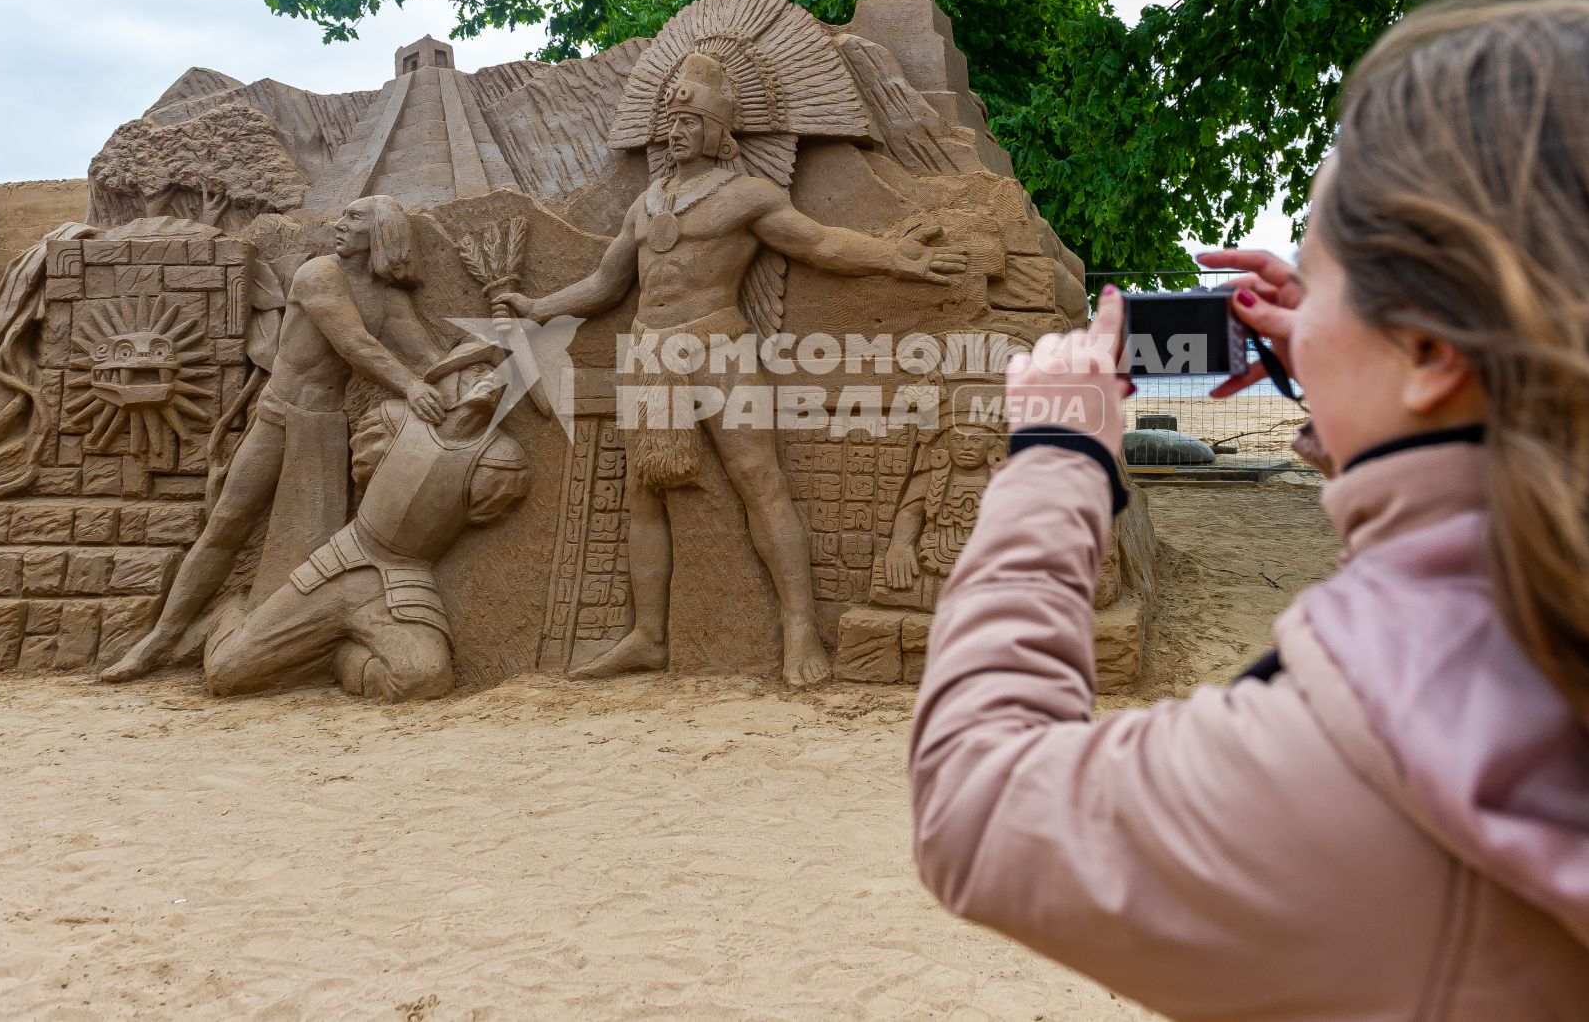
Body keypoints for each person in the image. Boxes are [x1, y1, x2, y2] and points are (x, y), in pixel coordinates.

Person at [910, 0, 1589, 1020]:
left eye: (1319, 280)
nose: (1297, 318)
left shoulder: (1387, 759)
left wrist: (1058, 454)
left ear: (1434, 347)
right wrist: (1367, 394)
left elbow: (979, 801)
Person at [501, 52, 967, 688]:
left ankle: (800, 627)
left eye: (689, 118)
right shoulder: (647, 202)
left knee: (759, 478)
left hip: (718, 345)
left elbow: (820, 243)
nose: (675, 129)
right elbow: (607, 284)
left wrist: (898, 258)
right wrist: (536, 308)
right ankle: (648, 636)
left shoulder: (748, 195)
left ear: (720, 128)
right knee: (645, 488)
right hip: (651, 350)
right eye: (670, 118)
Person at [101, 196, 446, 683]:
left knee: (315, 543)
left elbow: (427, 354)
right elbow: (353, 343)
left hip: (325, 426)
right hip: (279, 415)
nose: (339, 224)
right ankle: (160, 638)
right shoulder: (320, 274)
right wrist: (411, 385)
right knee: (228, 522)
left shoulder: (388, 298)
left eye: (354, 218)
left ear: (384, 232)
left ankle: (291, 636)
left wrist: (480, 364)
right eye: (341, 214)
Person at [202, 366, 529, 703]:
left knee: (424, 678)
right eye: (473, 370)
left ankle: (340, 658)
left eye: (496, 375)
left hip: (405, 583)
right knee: (226, 670)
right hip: (341, 564)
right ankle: (229, 609)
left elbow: (484, 512)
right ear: (442, 380)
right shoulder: (393, 421)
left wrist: (352, 665)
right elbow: (364, 473)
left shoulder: (500, 461)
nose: (487, 379)